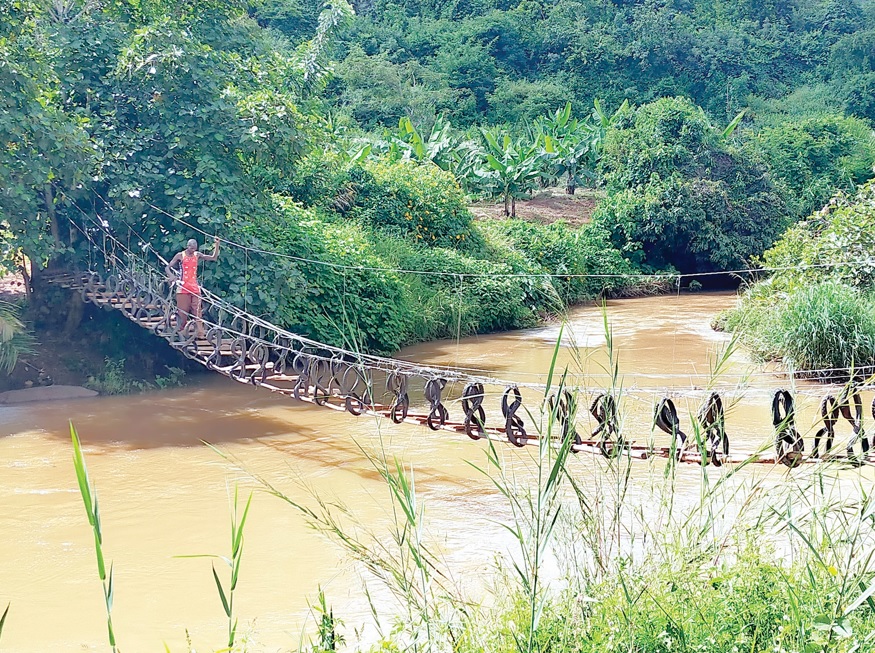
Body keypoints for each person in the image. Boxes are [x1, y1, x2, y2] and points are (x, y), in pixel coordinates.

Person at [166, 237, 220, 337]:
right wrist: (171, 276)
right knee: (183, 311)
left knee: (197, 311)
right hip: (183, 288)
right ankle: (181, 331)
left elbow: (213, 258)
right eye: (191, 248)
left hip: (194, 287)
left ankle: (200, 333)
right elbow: (167, 268)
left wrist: (217, 245)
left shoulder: (197, 255)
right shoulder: (180, 255)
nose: (193, 251)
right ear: (188, 246)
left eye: (195, 249)